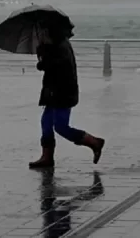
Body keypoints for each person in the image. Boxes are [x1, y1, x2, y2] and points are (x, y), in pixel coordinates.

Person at [28, 25, 105, 169]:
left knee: (61, 127)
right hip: (52, 92)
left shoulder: (59, 46)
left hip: (62, 92)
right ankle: (47, 157)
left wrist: (43, 60)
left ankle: (93, 142)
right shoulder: (54, 45)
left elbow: (56, 67)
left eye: (43, 31)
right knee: (46, 123)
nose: (40, 34)